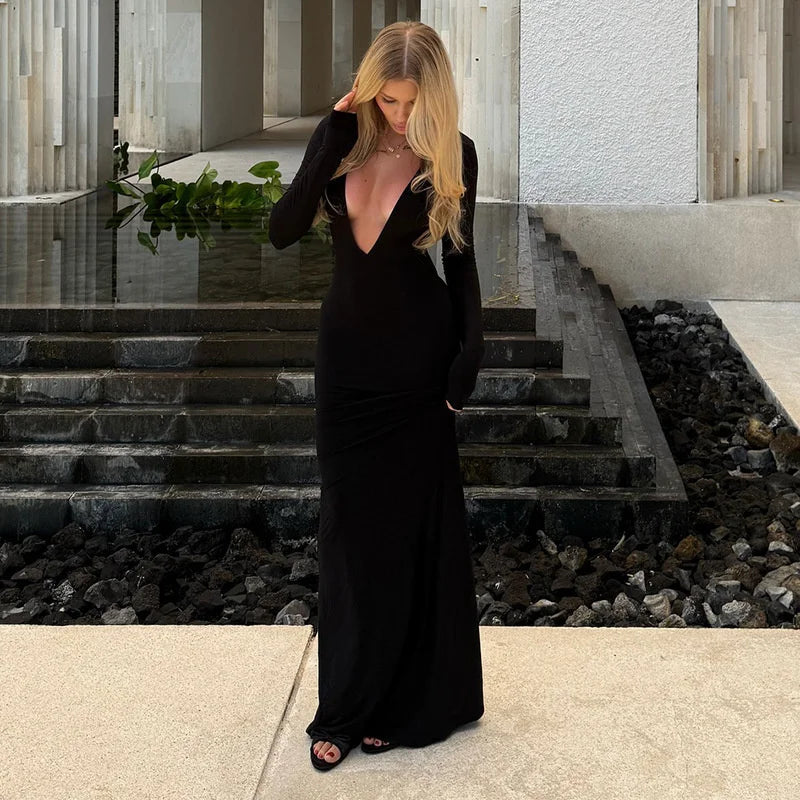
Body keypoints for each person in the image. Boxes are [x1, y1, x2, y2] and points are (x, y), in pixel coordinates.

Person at [268, 20, 485, 772]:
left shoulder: (450, 157)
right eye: (388, 100)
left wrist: (469, 364)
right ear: (368, 90)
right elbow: (281, 229)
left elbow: (461, 269)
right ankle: (345, 703)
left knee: (406, 535)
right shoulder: (345, 147)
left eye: (410, 101)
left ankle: (400, 700)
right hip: (347, 369)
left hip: (416, 372)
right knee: (347, 535)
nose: (398, 115)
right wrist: (328, 134)